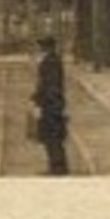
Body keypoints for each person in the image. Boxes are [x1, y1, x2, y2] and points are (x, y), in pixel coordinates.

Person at [32, 36, 69, 175]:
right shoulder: (52, 59)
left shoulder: (50, 61)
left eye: (41, 47)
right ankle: (56, 166)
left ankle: (57, 168)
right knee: (52, 136)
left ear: (47, 47)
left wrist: (40, 99)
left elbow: (49, 84)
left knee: (51, 136)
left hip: (51, 104)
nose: (40, 49)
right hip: (53, 102)